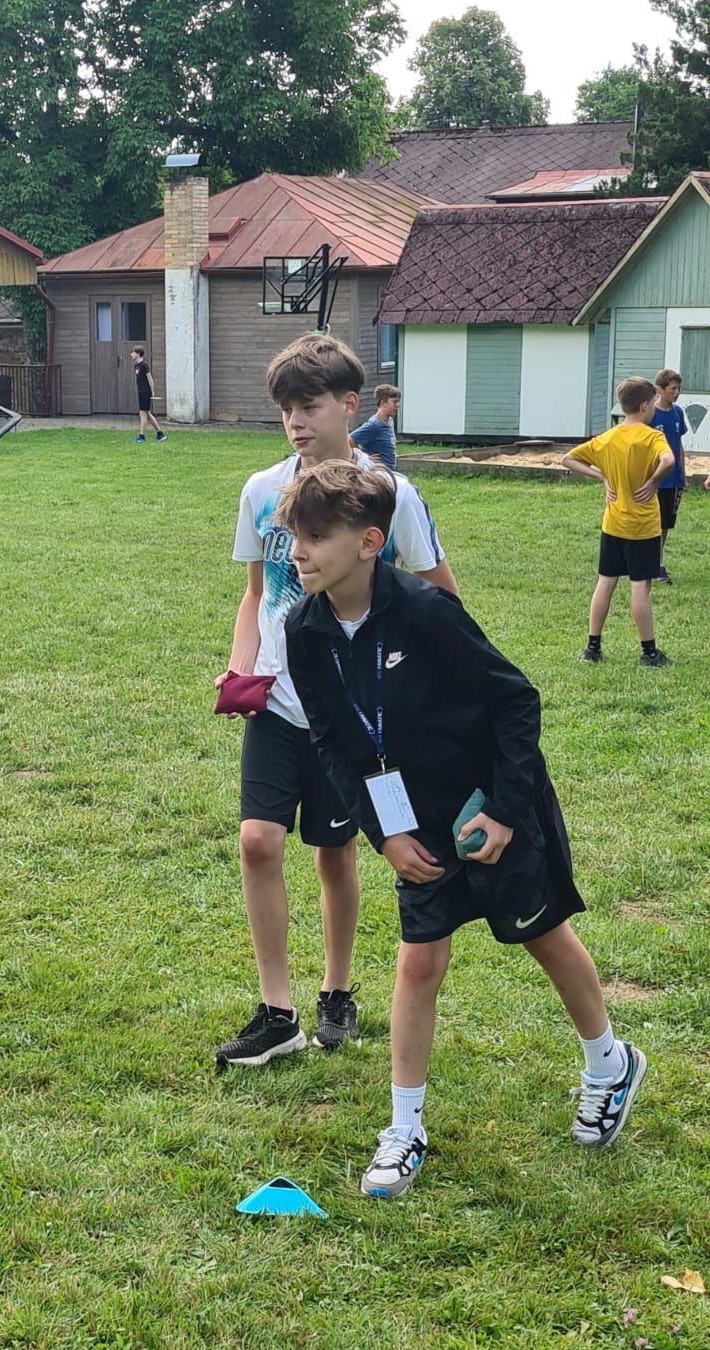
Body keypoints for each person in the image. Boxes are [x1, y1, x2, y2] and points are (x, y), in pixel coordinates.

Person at [281, 459, 646, 1197]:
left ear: (370, 543)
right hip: (411, 820)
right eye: (295, 537)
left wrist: (504, 811)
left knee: (542, 936)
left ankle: (609, 1064)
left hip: (491, 803)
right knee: (418, 961)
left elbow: (516, 702)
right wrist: (384, 834)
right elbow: (332, 741)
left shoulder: (425, 610)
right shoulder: (303, 628)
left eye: (316, 537)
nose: (299, 552)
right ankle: (404, 1128)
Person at [214, 334, 457, 1071]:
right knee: (258, 840)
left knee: (333, 851)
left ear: (351, 405)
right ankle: (276, 1011)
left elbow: (441, 596)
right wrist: (241, 668)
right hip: (277, 705)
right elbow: (256, 594)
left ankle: (336, 992)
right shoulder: (262, 491)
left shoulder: (391, 494)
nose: (295, 421)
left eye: (310, 406)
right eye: (286, 408)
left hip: (351, 713)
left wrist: (422, 689)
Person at [561, 377, 673, 668]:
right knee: (640, 586)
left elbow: (568, 459)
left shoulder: (607, 438)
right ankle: (649, 653)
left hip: (613, 523)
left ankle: (592, 648)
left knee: (606, 581)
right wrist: (654, 481)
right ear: (645, 406)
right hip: (643, 526)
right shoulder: (652, 437)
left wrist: (601, 476)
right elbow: (668, 461)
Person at [650, 368, 687, 585]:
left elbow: (678, 444)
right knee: (652, 522)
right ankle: (652, 564)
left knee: (665, 524)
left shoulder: (678, 412)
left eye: (678, 388)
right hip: (655, 479)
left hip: (674, 480)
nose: (677, 392)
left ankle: (658, 562)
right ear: (660, 389)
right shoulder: (650, 414)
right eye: (673, 388)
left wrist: (683, 473)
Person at [349, 383, 400, 471]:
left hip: (390, 471)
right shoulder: (374, 425)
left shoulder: (390, 421)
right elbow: (349, 440)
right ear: (383, 403)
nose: (398, 405)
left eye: (398, 401)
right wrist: (364, 457)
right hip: (378, 474)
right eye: (395, 402)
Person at [130, 347, 165, 444]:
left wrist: (152, 391)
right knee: (147, 413)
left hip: (145, 391)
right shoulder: (136, 365)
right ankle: (160, 433)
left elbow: (150, 378)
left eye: (133, 352)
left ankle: (141, 436)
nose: (131, 354)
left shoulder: (144, 365)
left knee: (143, 413)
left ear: (138, 354)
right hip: (141, 391)